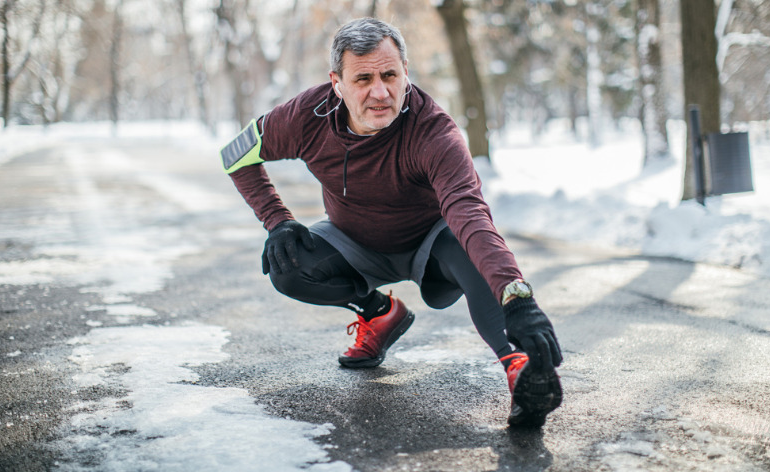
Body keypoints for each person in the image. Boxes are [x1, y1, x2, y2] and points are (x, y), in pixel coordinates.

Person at [222, 18, 563, 427]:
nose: (380, 92)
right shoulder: (304, 118)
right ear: (337, 83)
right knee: (288, 267)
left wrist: (517, 297)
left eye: (390, 75)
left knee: (468, 246)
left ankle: (520, 366)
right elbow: (234, 155)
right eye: (362, 78)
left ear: (406, 73)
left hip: (433, 246)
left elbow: (471, 216)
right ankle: (379, 313)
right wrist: (277, 220)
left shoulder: (434, 132)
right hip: (354, 240)